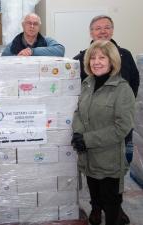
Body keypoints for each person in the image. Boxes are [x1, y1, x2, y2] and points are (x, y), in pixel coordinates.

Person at [74, 16, 139, 224]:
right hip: (89, 152)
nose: (97, 62)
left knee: (111, 197)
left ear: (113, 61)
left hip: (109, 152)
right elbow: (78, 110)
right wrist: (78, 133)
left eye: (102, 58)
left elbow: (122, 125)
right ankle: (95, 209)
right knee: (93, 186)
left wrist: (88, 139)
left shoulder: (122, 88)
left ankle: (114, 213)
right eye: (93, 59)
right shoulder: (87, 84)